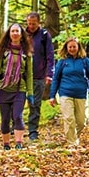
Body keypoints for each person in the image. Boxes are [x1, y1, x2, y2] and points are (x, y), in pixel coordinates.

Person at [48, 36, 89, 148]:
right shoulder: (62, 62)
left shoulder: (85, 61)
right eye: (69, 47)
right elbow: (56, 79)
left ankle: (73, 137)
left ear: (78, 47)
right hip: (65, 94)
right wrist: (52, 96)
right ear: (66, 48)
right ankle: (72, 144)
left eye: (74, 46)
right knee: (69, 119)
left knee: (82, 121)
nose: (71, 49)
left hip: (81, 94)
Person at [0, 24, 33, 149]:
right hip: (4, 88)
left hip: (19, 89)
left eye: (17, 31)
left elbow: (29, 74)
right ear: (9, 34)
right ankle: (6, 144)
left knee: (17, 115)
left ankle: (19, 143)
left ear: (21, 34)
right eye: (13, 31)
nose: (15, 33)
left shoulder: (27, 53)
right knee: (5, 118)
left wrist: (30, 92)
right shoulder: (3, 51)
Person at [23, 12, 55, 141]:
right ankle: (17, 127)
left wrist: (49, 73)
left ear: (38, 23)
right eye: (29, 23)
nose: (31, 26)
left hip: (39, 75)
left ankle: (33, 131)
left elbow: (50, 55)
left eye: (33, 24)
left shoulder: (44, 35)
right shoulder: (22, 34)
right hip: (22, 75)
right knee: (17, 102)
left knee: (35, 104)